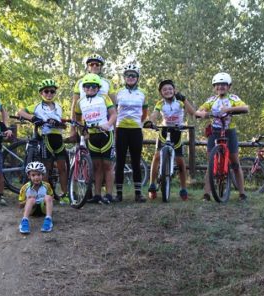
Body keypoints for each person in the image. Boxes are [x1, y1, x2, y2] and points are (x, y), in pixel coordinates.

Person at [194, 72, 249, 201]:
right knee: (211, 163)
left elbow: (246, 108)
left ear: (229, 86)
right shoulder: (211, 100)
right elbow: (199, 110)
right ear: (214, 87)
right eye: (218, 85)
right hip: (215, 132)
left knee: (235, 163)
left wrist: (229, 110)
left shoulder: (233, 98)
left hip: (229, 132)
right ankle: (206, 194)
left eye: (223, 85)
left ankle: (242, 193)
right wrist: (202, 113)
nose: (220, 87)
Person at [17, 79, 70, 205]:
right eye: (46, 91)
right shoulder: (36, 106)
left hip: (58, 139)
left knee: (63, 168)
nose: (49, 94)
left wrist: (60, 124)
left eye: (52, 91)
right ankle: (46, 195)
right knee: (46, 168)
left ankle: (64, 194)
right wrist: (33, 118)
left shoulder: (58, 106)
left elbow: (63, 126)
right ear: (41, 93)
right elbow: (20, 112)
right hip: (46, 138)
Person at [147, 80, 196, 201]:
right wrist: (151, 122)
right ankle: (152, 184)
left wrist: (184, 99)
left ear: (174, 90)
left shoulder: (180, 102)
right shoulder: (160, 103)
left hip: (177, 132)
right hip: (164, 131)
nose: (167, 91)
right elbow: (155, 114)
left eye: (170, 89)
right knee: (157, 156)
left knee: (180, 161)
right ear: (161, 93)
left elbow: (192, 113)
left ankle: (183, 188)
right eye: (164, 90)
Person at [73, 73, 117, 204]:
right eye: (87, 86)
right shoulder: (80, 102)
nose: (90, 88)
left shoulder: (104, 97)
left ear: (98, 87)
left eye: (93, 86)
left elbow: (114, 114)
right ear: (83, 88)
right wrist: (82, 131)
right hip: (92, 136)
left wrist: (108, 125)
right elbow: (78, 119)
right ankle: (97, 195)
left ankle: (108, 195)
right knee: (97, 166)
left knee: (107, 165)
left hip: (105, 134)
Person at [114, 63, 148, 202]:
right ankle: (119, 194)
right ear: (124, 77)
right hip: (121, 129)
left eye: (133, 75)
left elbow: (144, 113)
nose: (130, 77)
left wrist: (137, 123)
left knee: (136, 161)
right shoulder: (118, 93)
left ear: (137, 78)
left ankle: (138, 193)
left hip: (135, 130)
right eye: (128, 75)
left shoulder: (142, 93)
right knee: (120, 161)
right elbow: (114, 111)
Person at [18, 161, 54, 234]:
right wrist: (27, 200)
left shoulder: (47, 185)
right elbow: (20, 205)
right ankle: (24, 221)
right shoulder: (24, 188)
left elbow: (52, 197)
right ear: (29, 176)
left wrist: (48, 199)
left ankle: (48, 220)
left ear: (42, 175)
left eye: (39, 174)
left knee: (48, 197)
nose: (36, 177)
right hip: (32, 210)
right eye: (33, 175)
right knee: (31, 199)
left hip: (43, 209)